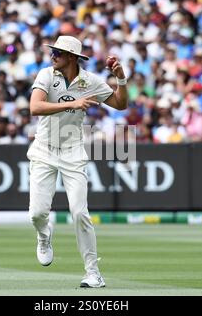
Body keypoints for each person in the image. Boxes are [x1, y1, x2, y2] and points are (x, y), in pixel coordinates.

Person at [27, 35, 128, 288]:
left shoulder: (90, 81)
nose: (53, 56)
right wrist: (74, 103)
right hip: (43, 148)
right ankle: (43, 235)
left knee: (79, 212)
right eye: (53, 52)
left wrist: (121, 79)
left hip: (72, 150)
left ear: (71, 57)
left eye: (58, 53)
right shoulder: (47, 75)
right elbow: (35, 107)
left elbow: (120, 104)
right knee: (38, 214)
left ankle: (93, 272)